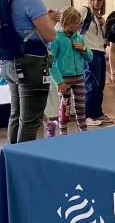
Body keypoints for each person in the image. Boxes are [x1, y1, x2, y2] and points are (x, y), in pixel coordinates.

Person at [0, 0, 59, 144]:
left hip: (11, 62)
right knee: (31, 120)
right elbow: (50, 35)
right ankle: (24, 167)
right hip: (32, 65)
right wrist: (50, 20)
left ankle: (12, 161)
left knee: (16, 116)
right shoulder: (31, 0)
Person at [48, 7, 94, 136]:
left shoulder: (78, 37)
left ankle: (83, 132)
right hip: (64, 79)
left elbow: (89, 58)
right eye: (76, 23)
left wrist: (84, 49)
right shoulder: (56, 38)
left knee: (81, 107)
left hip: (79, 77)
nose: (78, 26)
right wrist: (59, 82)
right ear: (66, 22)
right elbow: (50, 63)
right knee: (65, 108)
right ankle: (63, 133)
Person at [80, 0, 114, 126]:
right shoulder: (84, 11)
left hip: (100, 51)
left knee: (100, 85)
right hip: (89, 51)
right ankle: (88, 115)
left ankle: (98, 113)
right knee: (91, 84)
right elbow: (72, 24)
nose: (96, 2)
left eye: (99, 0)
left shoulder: (100, 18)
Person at [0, 59, 57, 135]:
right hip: (13, 71)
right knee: (20, 108)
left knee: (28, 105)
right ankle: (48, 124)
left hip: (28, 72)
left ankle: (48, 124)